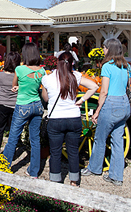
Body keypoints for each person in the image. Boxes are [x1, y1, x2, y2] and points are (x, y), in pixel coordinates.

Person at [41, 52, 98, 187]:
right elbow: (94, 86)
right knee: (73, 151)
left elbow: (46, 98)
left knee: (55, 152)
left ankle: (55, 180)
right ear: (72, 63)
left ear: (57, 63)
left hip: (56, 119)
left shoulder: (47, 79)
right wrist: (81, 100)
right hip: (73, 118)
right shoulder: (76, 76)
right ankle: (74, 181)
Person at [81, 38, 130, 186]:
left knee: (100, 138)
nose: (103, 50)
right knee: (117, 141)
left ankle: (94, 168)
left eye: (104, 47)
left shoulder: (107, 66)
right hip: (124, 103)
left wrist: (97, 111)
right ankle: (116, 176)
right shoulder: (125, 66)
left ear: (109, 49)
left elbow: (104, 91)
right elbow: (127, 86)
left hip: (111, 104)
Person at [2, 43, 46, 178]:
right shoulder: (42, 71)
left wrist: (18, 87)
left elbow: (14, 84)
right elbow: (40, 88)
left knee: (13, 137)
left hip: (23, 106)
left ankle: (4, 167)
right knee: (35, 139)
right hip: (37, 105)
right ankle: (34, 171)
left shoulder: (20, 69)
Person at [0, 51, 21, 152]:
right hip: (15, 104)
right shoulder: (19, 76)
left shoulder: (0, 75)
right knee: (14, 130)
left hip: (2, 104)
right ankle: (11, 151)